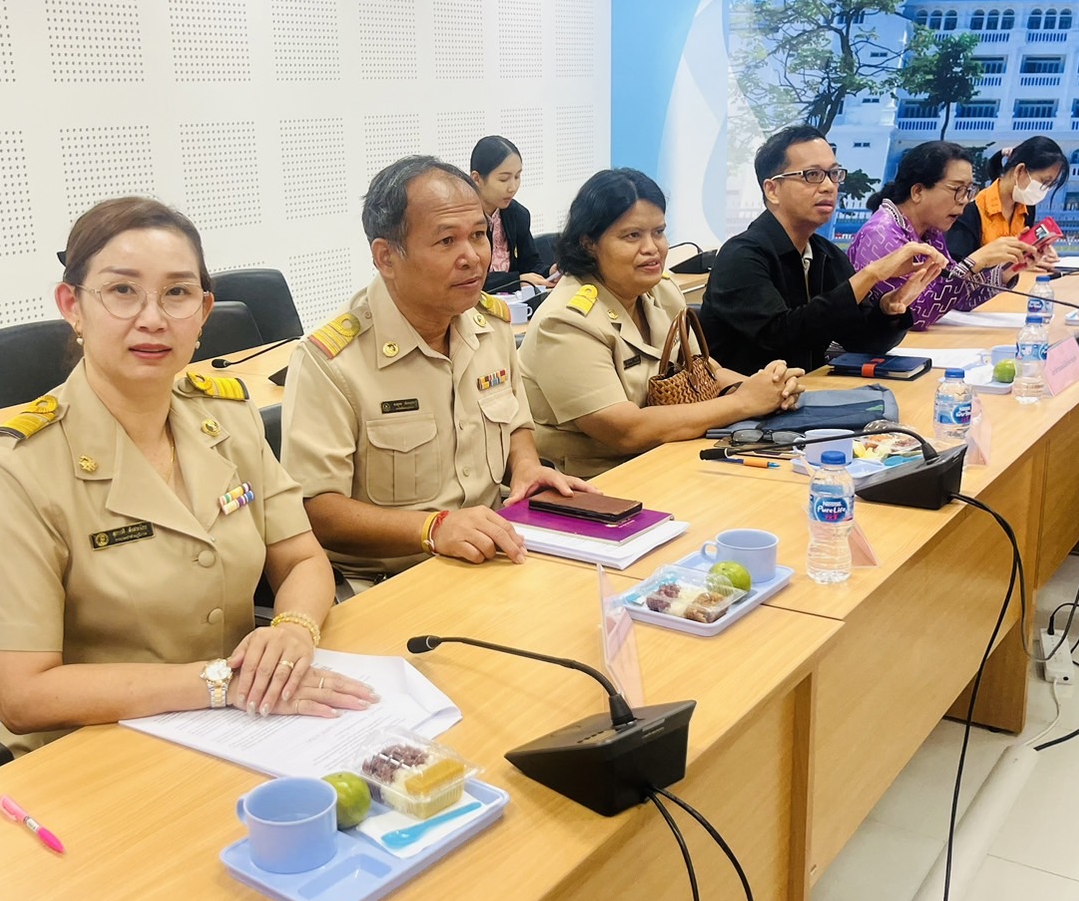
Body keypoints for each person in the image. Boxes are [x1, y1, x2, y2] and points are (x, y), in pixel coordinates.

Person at [0, 197, 375, 756]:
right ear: (72, 306)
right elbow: (22, 695)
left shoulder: (229, 418)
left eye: (177, 293)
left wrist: (293, 628)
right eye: (122, 291)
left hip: (239, 729)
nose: (152, 318)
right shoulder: (18, 466)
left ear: (203, 312)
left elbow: (300, 558)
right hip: (94, 752)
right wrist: (223, 683)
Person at [281, 155, 592, 585]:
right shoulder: (331, 361)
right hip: (386, 581)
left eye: (480, 235)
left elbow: (516, 422)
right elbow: (316, 508)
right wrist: (433, 529)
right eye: (447, 241)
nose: (473, 257)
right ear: (386, 257)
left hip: (491, 554)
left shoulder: (493, 326)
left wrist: (525, 466)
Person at [520, 168, 805, 478]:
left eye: (658, 232)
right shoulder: (566, 320)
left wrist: (763, 389)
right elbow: (626, 431)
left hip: (671, 457)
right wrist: (744, 403)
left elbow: (704, 369)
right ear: (589, 243)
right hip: (600, 481)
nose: (652, 248)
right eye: (632, 235)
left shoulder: (661, 290)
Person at [701, 125, 948, 374]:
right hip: (744, 405)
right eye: (812, 175)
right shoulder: (741, 256)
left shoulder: (825, 253)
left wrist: (889, 309)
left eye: (833, 174)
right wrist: (871, 274)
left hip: (806, 394)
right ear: (772, 190)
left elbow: (860, 341)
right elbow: (782, 336)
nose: (829, 186)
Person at [849, 141, 1032, 331]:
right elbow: (914, 316)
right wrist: (974, 262)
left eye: (969, 190)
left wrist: (1007, 271)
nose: (964, 201)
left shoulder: (931, 232)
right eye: (957, 189)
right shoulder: (880, 234)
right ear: (918, 191)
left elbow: (958, 301)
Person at [947, 136, 1069, 271]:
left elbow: (1019, 255)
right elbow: (957, 273)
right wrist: (1009, 265)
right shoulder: (970, 211)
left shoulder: (1027, 208)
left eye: (1050, 185)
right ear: (1020, 170)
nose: (1044, 190)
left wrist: (1034, 255)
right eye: (1044, 181)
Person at [470, 135, 552, 292]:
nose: (513, 187)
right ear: (477, 179)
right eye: (504, 179)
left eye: (517, 176)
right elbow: (467, 277)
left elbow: (530, 263)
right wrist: (515, 281)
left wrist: (549, 272)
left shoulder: (517, 214)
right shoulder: (464, 221)